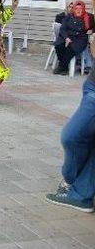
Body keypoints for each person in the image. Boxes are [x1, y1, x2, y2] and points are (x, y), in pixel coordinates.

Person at [46, 41, 95, 212]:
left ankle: (72, 183)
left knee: (72, 136)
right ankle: (81, 193)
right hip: (92, 85)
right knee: (81, 138)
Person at [54, 1, 92, 75]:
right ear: (74, 9)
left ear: (83, 9)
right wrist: (66, 38)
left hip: (80, 39)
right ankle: (64, 67)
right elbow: (63, 29)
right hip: (67, 37)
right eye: (76, 8)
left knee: (70, 49)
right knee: (58, 46)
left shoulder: (88, 18)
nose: (78, 10)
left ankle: (62, 67)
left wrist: (91, 30)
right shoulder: (68, 17)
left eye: (80, 8)